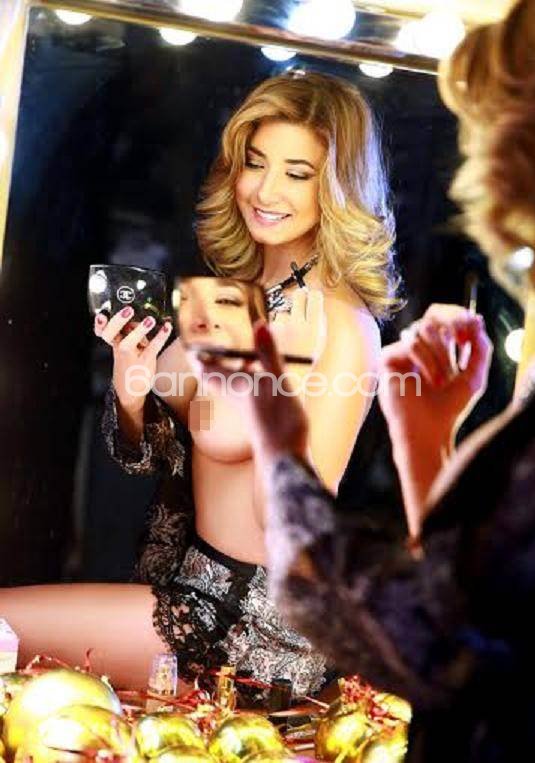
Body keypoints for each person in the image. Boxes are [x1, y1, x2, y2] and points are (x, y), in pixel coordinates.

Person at [199, 0, 535, 757]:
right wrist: (424, 441)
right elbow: (466, 603)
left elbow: (428, 640)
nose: (475, 168)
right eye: (256, 162)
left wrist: (277, 435)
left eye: (487, 132)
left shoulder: (340, 322)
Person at [0, 72, 399, 696]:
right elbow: (149, 456)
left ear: (336, 188)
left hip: (251, 630)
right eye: (255, 163)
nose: (265, 190)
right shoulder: (241, 293)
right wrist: (131, 383)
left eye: (297, 173)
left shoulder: (344, 328)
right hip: (184, 592)